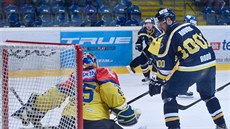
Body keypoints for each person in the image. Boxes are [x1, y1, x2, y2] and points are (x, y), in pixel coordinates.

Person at [11, 52, 141, 129]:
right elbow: (110, 92)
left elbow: (55, 95)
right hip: (95, 122)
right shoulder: (101, 72)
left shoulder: (75, 76)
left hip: (69, 120)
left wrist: (35, 107)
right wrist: (124, 110)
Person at [148, 8, 228, 129]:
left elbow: (165, 69)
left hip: (192, 67)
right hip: (210, 64)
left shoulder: (168, 36)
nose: (159, 25)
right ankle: (221, 125)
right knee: (209, 96)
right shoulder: (190, 26)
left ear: (169, 20)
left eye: (161, 22)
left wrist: (157, 81)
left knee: (168, 95)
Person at [126, 18, 162, 82]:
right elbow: (139, 40)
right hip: (149, 47)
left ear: (153, 24)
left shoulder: (157, 33)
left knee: (156, 61)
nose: (148, 25)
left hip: (159, 48)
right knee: (142, 60)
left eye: (150, 24)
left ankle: (154, 77)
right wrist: (139, 45)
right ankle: (147, 77)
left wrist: (152, 57)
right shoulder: (142, 31)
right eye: (147, 24)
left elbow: (158, 45)